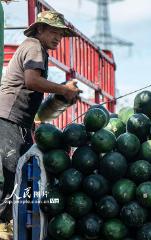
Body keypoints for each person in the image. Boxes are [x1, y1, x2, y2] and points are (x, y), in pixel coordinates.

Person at [0, 10, 81, 239]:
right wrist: (63, 89)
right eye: (54, 32)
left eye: (61, 35)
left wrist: (61, 96)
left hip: (19, 121)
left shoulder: (38, 49)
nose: (58, 38)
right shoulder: (34, 46)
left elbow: (36, 91)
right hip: (9, 117)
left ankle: (7, 224)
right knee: (11, 174)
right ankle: (1, 225)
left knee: (17, 175)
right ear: (40, 29)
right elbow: (32, 81)